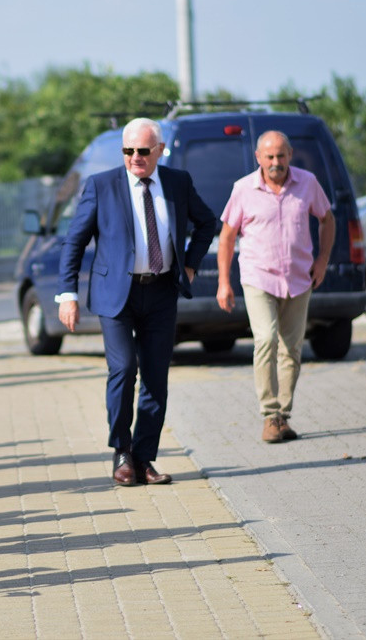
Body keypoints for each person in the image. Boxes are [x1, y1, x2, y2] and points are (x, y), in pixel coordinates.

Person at [57, 117, 215, 487]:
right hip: (115, 295)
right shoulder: (102, 185)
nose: (135, 158)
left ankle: (144, 458)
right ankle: (122, 451)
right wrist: (67, 295)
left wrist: (190, 265)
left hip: (161, 292)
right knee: (125, 369)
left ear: (159, 150)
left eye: (143, 151)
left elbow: (207, 223)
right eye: (128, 151)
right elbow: (74, 241)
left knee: (156, 378)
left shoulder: (178, 183)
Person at [216, 130, 335, 443]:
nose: (275, 162)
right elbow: (227, 237)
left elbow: (327, 219)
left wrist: (322, 260)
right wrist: (224, 282)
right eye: (269, 156)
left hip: (298, 278)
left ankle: (283, 415)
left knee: (292, 350)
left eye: (281, 156)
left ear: (290, 155)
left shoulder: (307, 183)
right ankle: (269, 415)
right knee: (266, 339)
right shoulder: (243, 189)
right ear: (258, 158)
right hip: (258, 277)